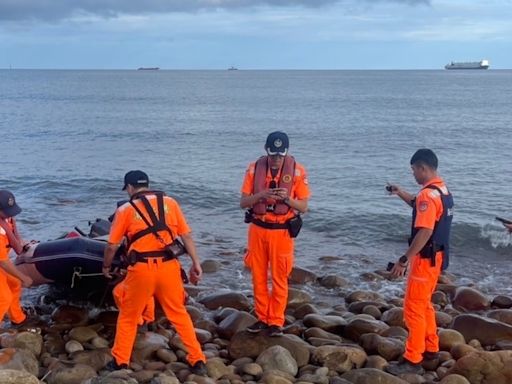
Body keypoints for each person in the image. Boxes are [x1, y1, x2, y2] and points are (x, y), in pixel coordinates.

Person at [102, 171, 206, 375]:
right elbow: (187, 236)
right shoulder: (171, 203)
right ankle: (197, 360)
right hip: (169, 267)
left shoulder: (125, 209)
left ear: (129, 188)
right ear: (148, 185)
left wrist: (106, 266)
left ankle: (120, 361)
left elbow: (112, 246)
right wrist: (196, 263)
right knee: (179, 314)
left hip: (141, 269)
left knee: (128, 316)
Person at [385, 149, 453, 375]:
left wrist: (404, 259)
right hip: (438, 257)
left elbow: (424, 231)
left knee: (413, 306)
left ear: (423, 168)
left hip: (425, 259)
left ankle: (413, 358)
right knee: (425, 304)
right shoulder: (441, 190)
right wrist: (400, 192)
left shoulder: (427, 195)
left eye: (414, 170)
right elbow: (419, 205)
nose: (413, 174)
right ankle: (431, 346)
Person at [240, 131, 310, 337]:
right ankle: (262, 318)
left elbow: (304, 206)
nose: (277, 159)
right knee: (258, 276)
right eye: (273, 155)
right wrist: (261, 195)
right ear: (266, 151)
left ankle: (276, 321)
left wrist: (287, 199)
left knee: (280, 277)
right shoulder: (254, 169)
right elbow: (243, 202)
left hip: (282, 232)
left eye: (280, 155)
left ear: (286, 153)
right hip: (258, 229)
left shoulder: (297, 171)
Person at [0, 190, 33, 327]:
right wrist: (24, 277)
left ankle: (18, 319)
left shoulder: (7, 219)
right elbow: (3, 262)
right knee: (3, 298)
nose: (10, 214)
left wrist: (24, 244)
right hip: (1, 262)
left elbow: (14, 239)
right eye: (7, 211)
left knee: (14, 283)